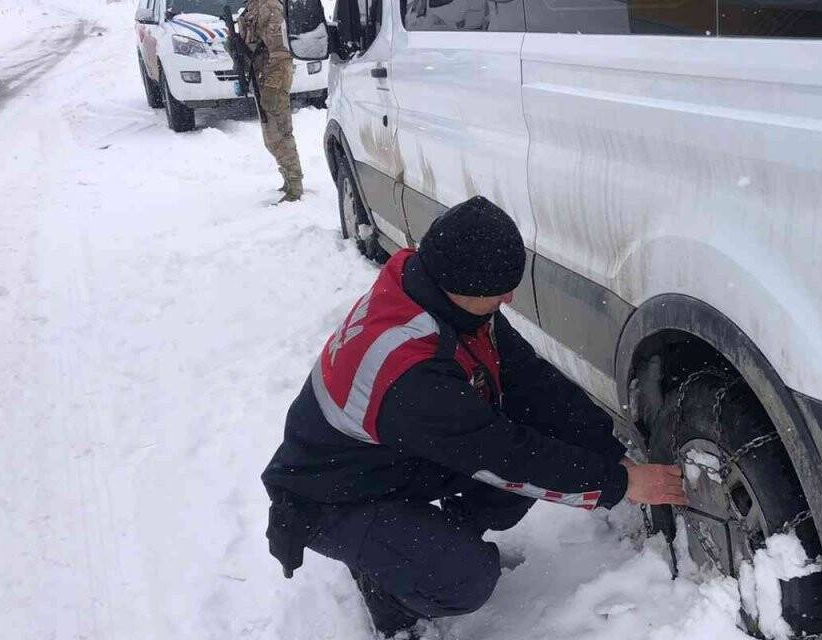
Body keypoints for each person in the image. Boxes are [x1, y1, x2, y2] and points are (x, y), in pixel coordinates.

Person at [261, 196, 687, 638]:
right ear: (461, 287)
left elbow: (531, 382)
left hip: (392, 458)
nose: (509, 296)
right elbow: (506, 457)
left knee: (532, 442)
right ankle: (389, 583)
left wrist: (608, 452)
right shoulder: (409, 374)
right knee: (468, 576)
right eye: (499, 289)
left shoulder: (436, 291)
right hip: (332, 496)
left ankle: (429, 541)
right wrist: (619, 484)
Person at [238, 0, 303, 202]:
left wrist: (273, 85)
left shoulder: (269, 7)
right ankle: (288, 178)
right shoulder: (253, 7)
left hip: (274, 76)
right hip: (263, 76)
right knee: (271, 133)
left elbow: (281, 53)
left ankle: (295, 185)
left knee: (279, 131)